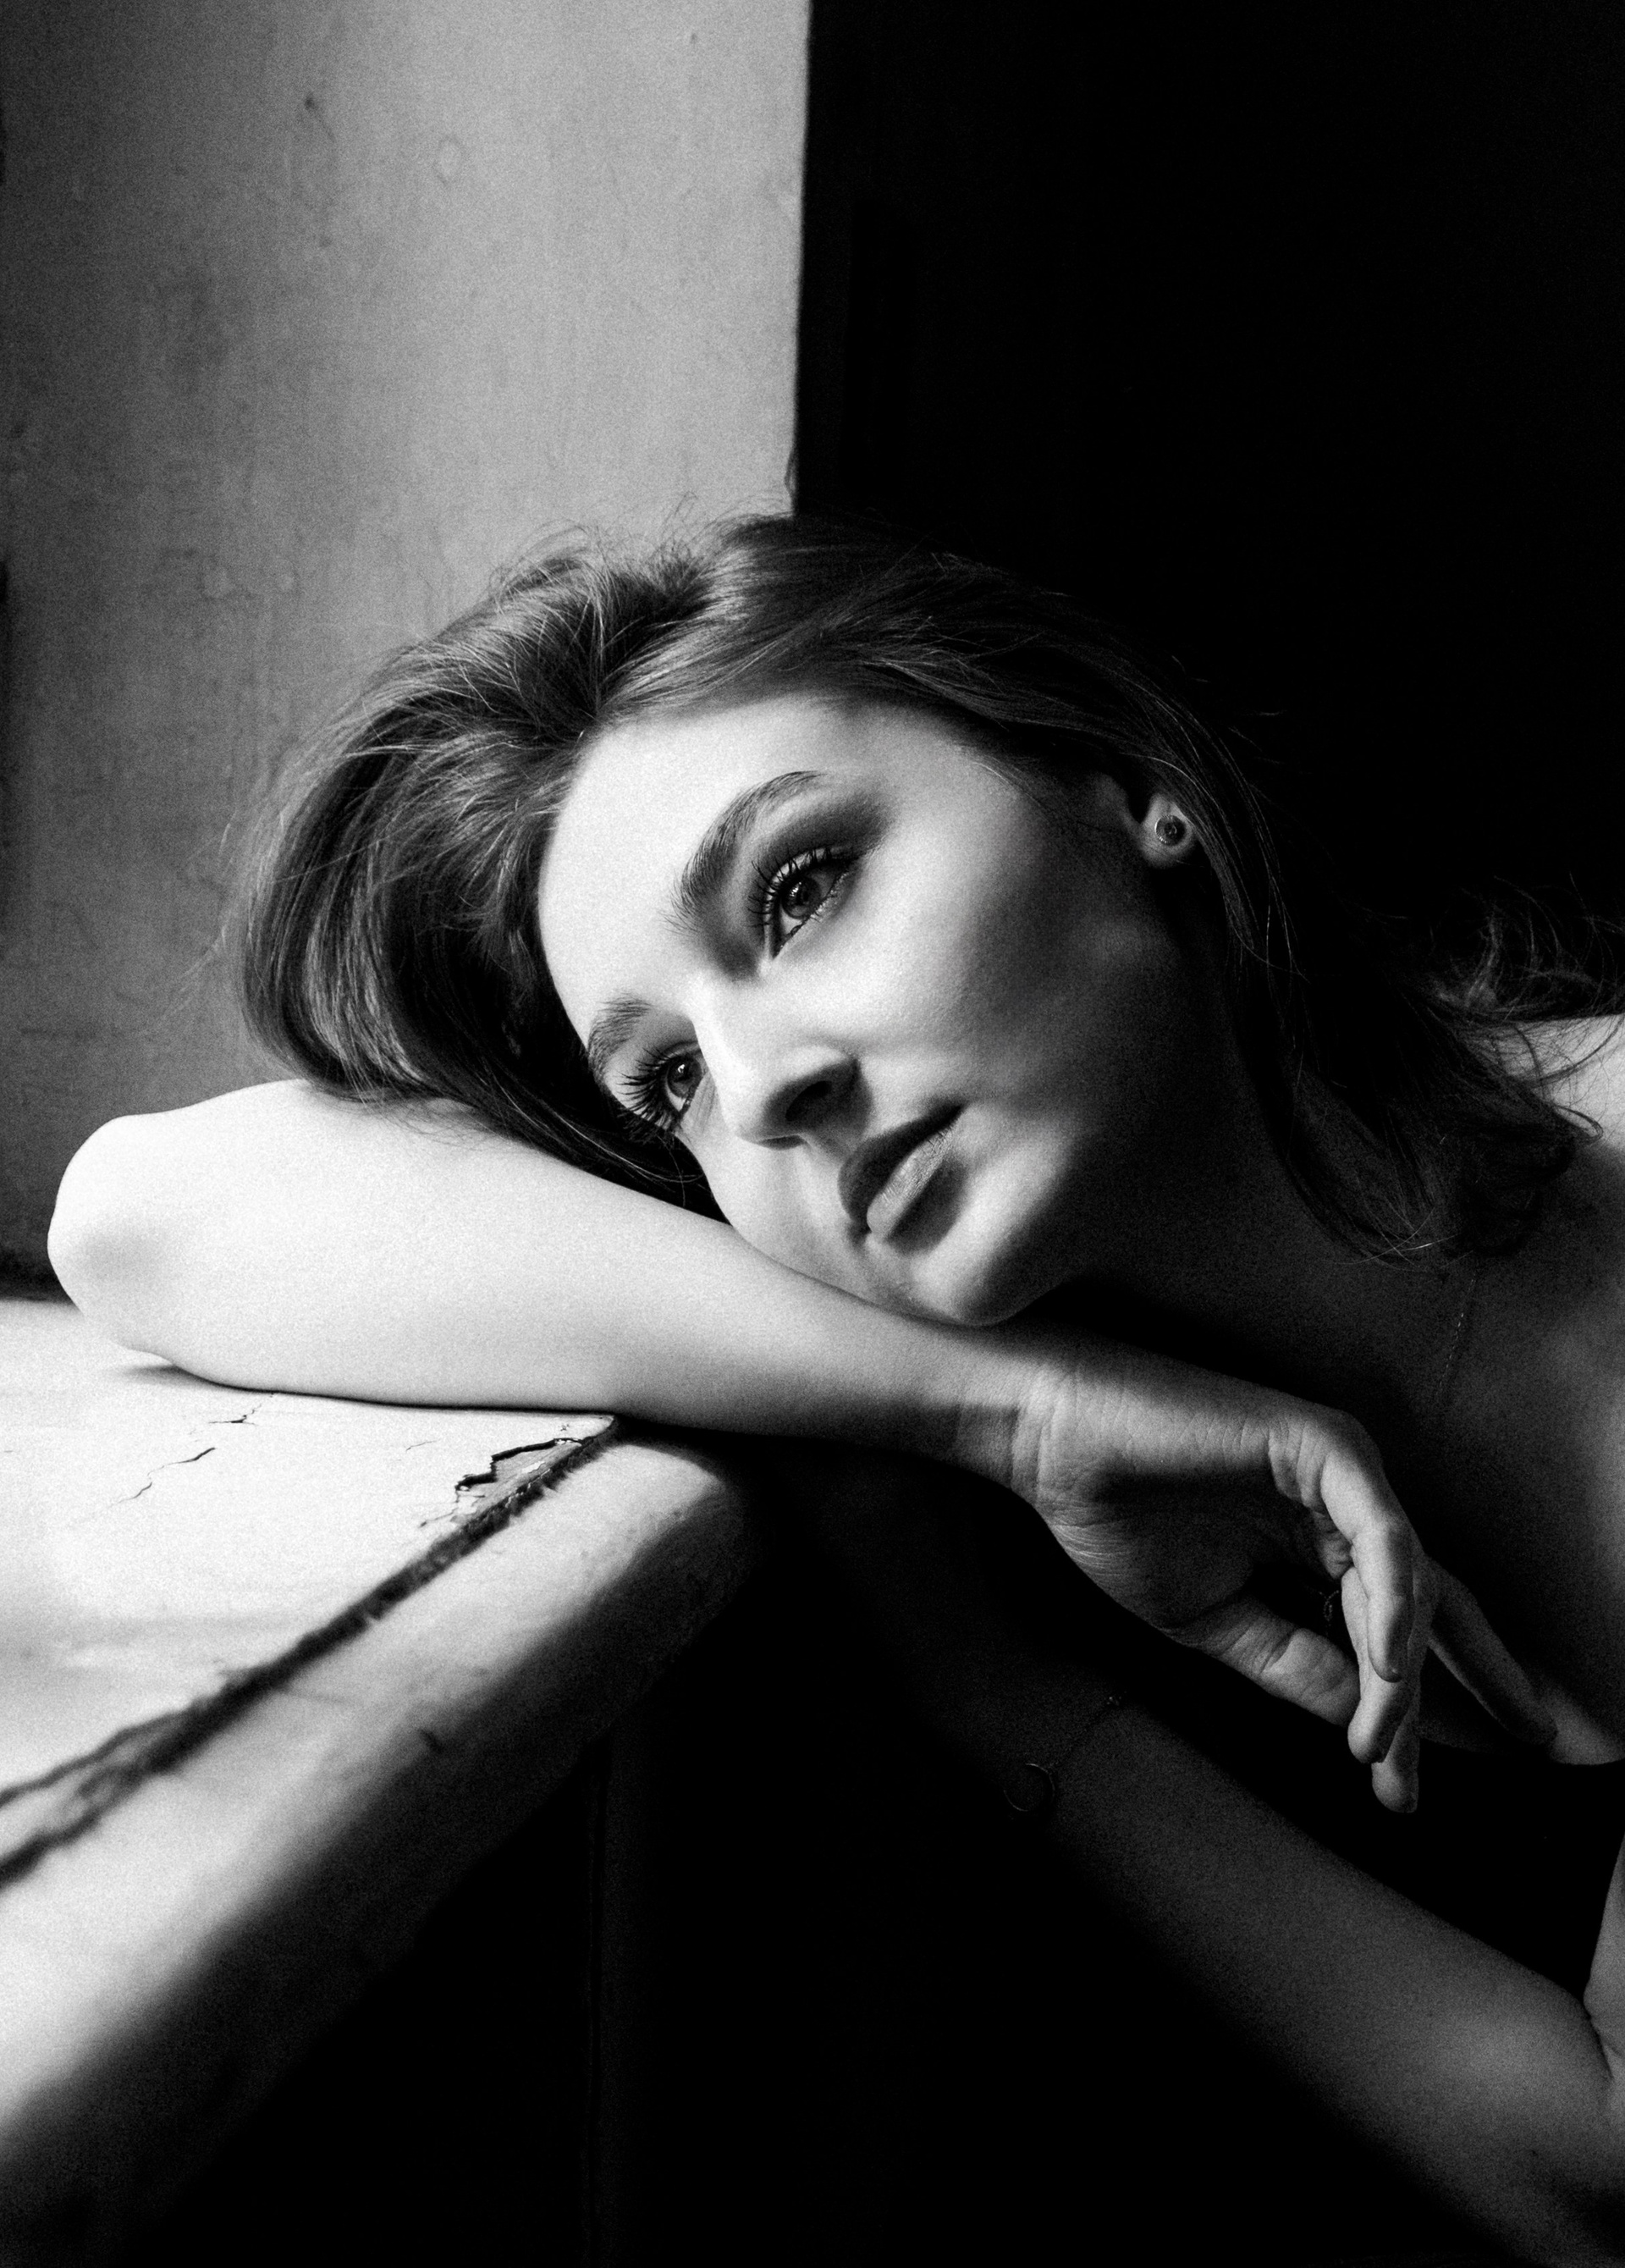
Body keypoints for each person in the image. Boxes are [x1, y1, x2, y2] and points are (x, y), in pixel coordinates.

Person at [47, 516, 1625, 2260]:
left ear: (1121, 779)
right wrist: (1003, 1447)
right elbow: (143, 1211)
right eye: (665, 1083)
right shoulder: (1031, 1384)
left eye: (798, 890)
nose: (762, 1092)